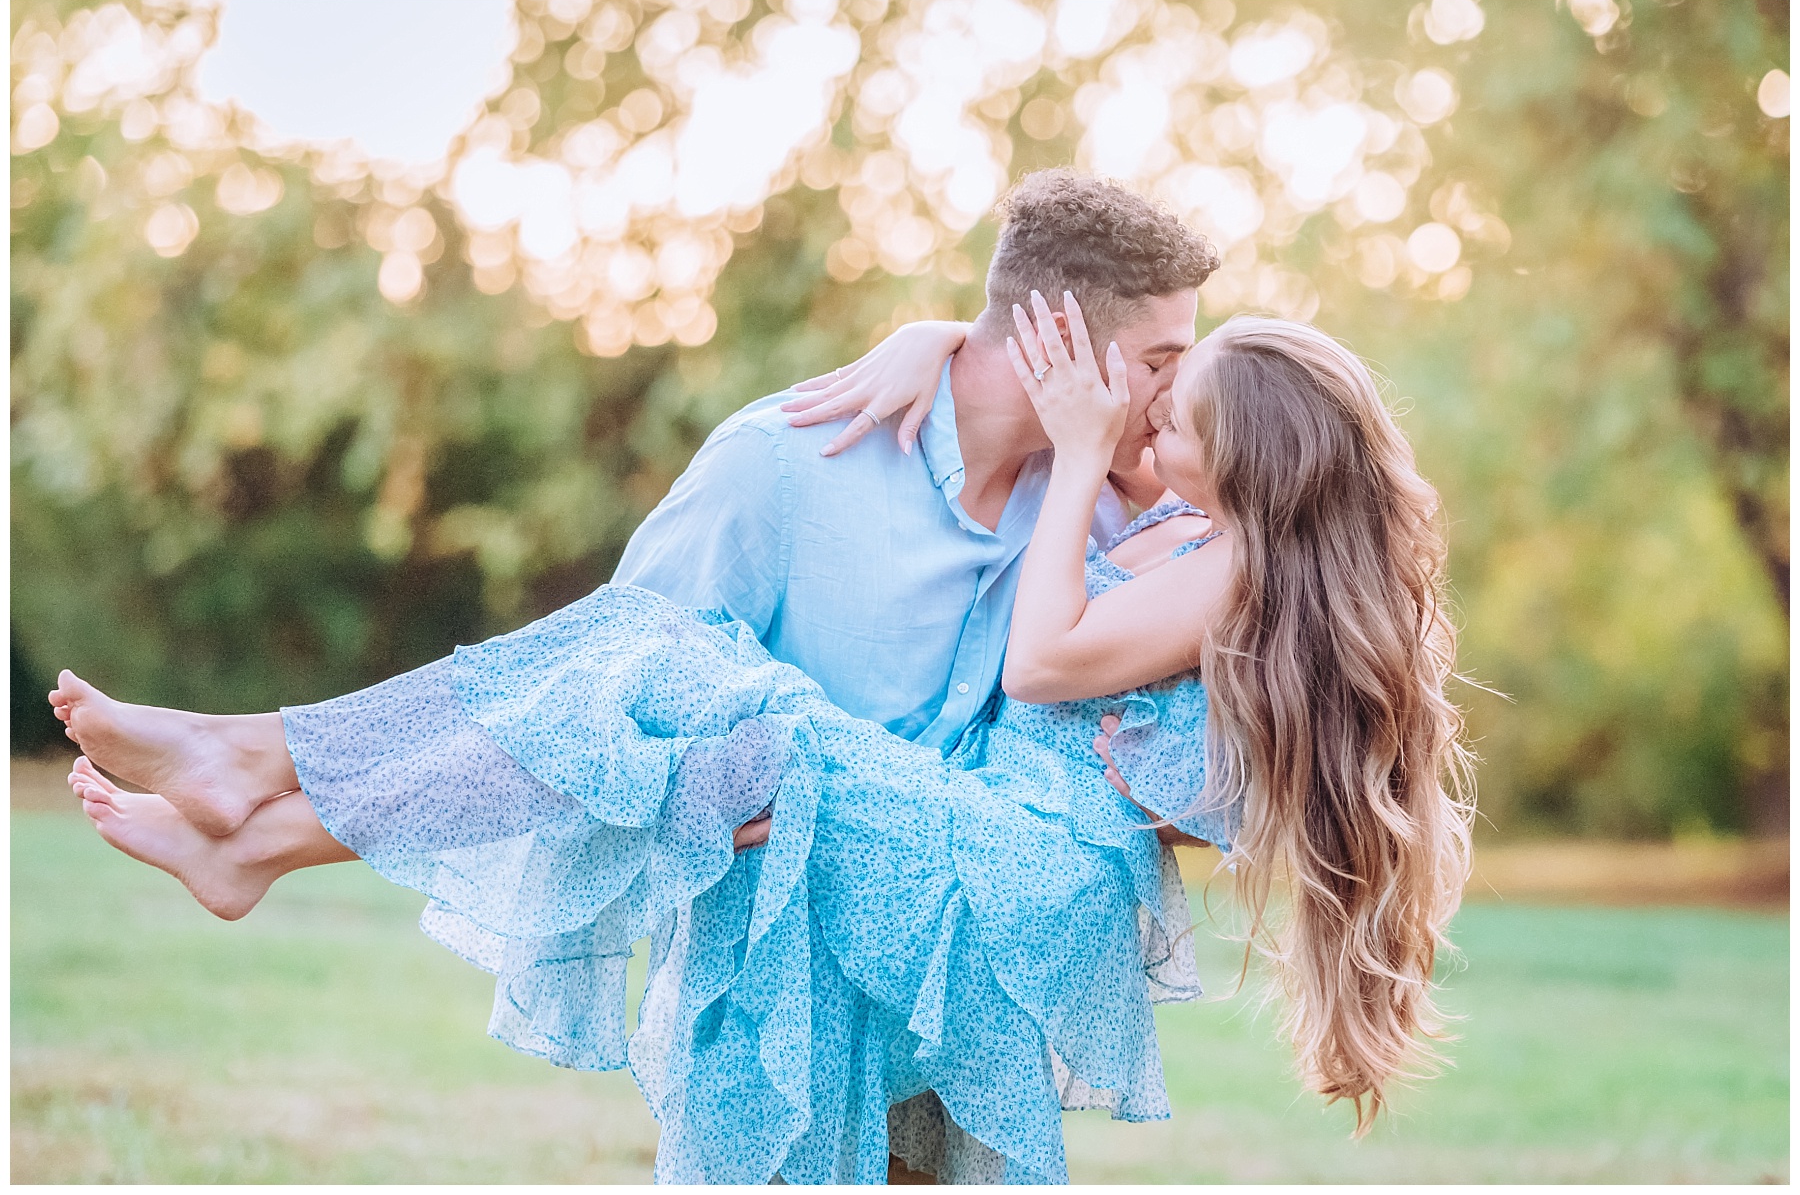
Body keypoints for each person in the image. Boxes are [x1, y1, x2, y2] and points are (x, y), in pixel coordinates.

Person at [52, 297, 1473, 1183]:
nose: (1148, 418)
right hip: (995, 838)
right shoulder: (1193, 535)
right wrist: (938, 342)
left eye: (1181, 415)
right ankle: (270, 815)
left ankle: (265, 780)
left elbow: (1041, 661)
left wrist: (1092, 451)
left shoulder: (1218, 562)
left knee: (693, 682)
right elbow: (1037, 508)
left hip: (1034, 873)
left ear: (1252, 461)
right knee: (683, 710)